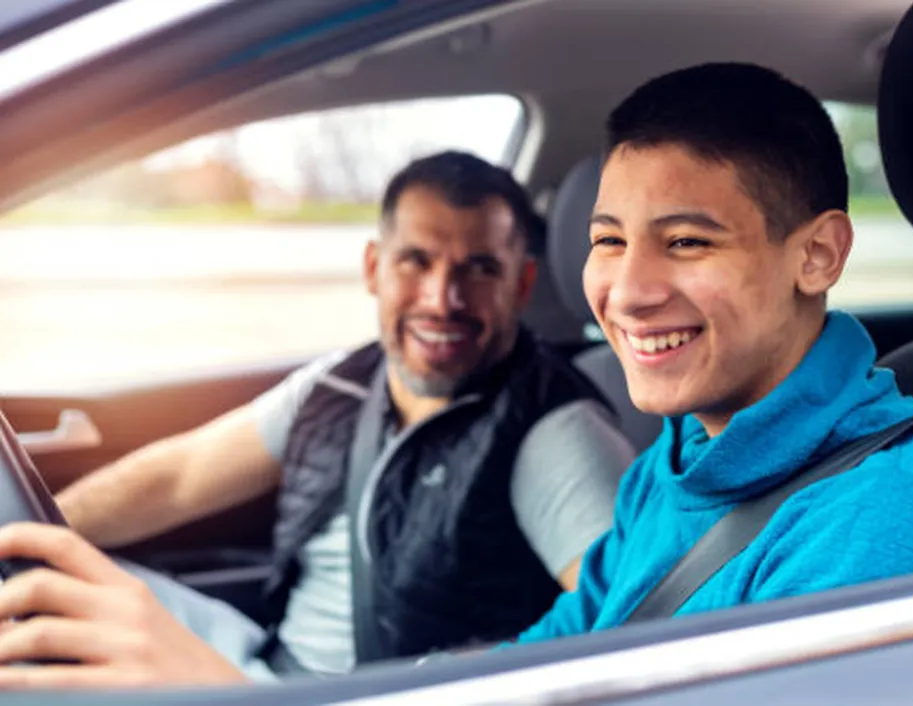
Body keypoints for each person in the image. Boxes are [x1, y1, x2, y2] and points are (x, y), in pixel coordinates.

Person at [0, 150, 634, 687]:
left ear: (520, 285)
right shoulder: (340, 382)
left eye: (480, 268)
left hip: (346, 698)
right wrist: (26, 538)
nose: (442, 298)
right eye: (416, 260)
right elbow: (178, 478)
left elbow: (630, 629)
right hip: (259, 658)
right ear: (373, 269)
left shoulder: (554, 430)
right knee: (45, 593)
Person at [510, 62, 913, 644]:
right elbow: (567, 640)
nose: (631, 293)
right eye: (609, 240)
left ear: (817, 255)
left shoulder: (882, 523)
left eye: (686, 242)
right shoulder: (677, 457)